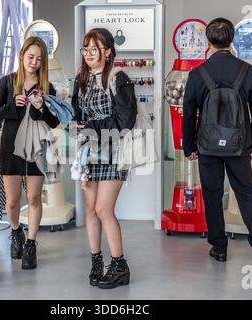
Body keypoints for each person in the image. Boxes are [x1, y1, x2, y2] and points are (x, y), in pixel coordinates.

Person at [183, 18, 252, 262]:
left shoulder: (197, 74)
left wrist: (189, 146)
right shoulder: (248, 70)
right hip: (240, 143)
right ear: (232, 40)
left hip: (207, 145)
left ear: (208, 42)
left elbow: (189, 112)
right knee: (245, 192)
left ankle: (219, 248)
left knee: (212, 194)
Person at [71, 28, 137, 289]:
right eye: (85, 49)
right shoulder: (80, 80)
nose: (88, 54)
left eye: (94, 49)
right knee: (90, 211)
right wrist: (75, 125)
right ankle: (97, 261)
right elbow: (77, 114)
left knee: (103, 209)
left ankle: (120, 265)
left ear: (108, 52)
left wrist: (90, 128)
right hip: (88, 153)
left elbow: (125, 121)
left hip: (113, 151)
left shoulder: (119, 79)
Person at [0, 37, 59, 270]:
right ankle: (15, 232)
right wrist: (13, 105)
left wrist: (42, 108)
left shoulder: (47, 87)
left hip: (38, 147)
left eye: (39, 59)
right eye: (30, 57)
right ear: (21, 55)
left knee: (33, 198)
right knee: (12, 201)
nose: (34, 62)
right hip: (11, 146)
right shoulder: (6, 82)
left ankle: (31, 243)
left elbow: (54, 121)